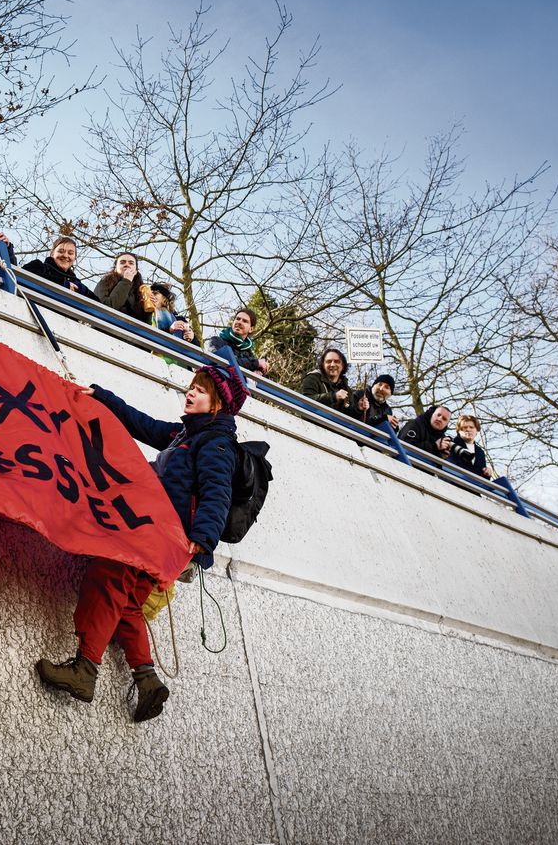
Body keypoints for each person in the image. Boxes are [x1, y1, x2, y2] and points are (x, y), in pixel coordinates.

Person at [35, 363, 248, 722]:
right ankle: (147, 681)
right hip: (156, 533)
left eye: (200, 390)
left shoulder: (216, 443)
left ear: (217, 405)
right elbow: (142, 424)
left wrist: (202, 539)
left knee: (107, 577)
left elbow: (217, 492)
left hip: (163, 536)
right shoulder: (187, 434)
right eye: (191, 386)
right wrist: (102, 397)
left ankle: (85, 669)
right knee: (129, 606)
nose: (190, 392)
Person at [22, 237, 94, 298]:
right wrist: (63, 284)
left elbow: (97, 303)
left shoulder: (76, 283)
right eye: (61, 251)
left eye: (70, 253)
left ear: (74, 258)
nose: (65, 256)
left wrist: (84, 291)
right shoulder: (39, 266)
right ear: (52, 253)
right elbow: (22, 275)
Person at [206, 308, 269, 376]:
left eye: (245, 321)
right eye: (237, 319)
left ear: (251, 329)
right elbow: (227, 363)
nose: (239, 322)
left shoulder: (249, 354)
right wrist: (256, 363)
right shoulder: (216, 341)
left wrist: (258, 371)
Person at [94, 252, 154, 323]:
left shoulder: (141, 291)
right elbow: (106, 308)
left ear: (136, 270)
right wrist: (126, 281)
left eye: (131, 263)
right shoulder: (105, 282)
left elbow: (145, 323)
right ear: (115, 268)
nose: (127, 265)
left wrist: (150, 310)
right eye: (122, 262)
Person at [299, 348, 353, 414]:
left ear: (343, 366)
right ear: (323, 365)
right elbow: (305, 401)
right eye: (329, 361)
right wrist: (333, 397)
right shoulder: (312, 378)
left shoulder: (346, 389)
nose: (332, 365)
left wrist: (358, 409)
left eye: (336, 361)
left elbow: (349, 415)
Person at [446, 415, 492, 479]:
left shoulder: (480, 452)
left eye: (471, 427)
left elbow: (483, 478)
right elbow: (452, 465)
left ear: (477, 431)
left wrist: (487, 473)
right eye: (465, 427)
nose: (468, 429)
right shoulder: (450, 443)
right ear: (459, 431)